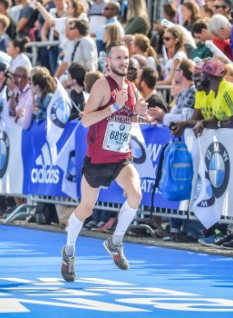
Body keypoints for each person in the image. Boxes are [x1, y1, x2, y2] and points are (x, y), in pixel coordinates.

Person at [61, 41, 148, 283]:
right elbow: (86, 120)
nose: (123, 62)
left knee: (136, 194)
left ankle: (115, 241)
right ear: (107, 61)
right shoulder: (102, 85)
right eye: (118, 58)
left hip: (121, 156)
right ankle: (69, 251)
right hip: (97, 159)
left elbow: (128, 121)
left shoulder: (131, 87)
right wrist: (114, 106)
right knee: (86, 208)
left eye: (126, 57)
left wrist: (138, 113)